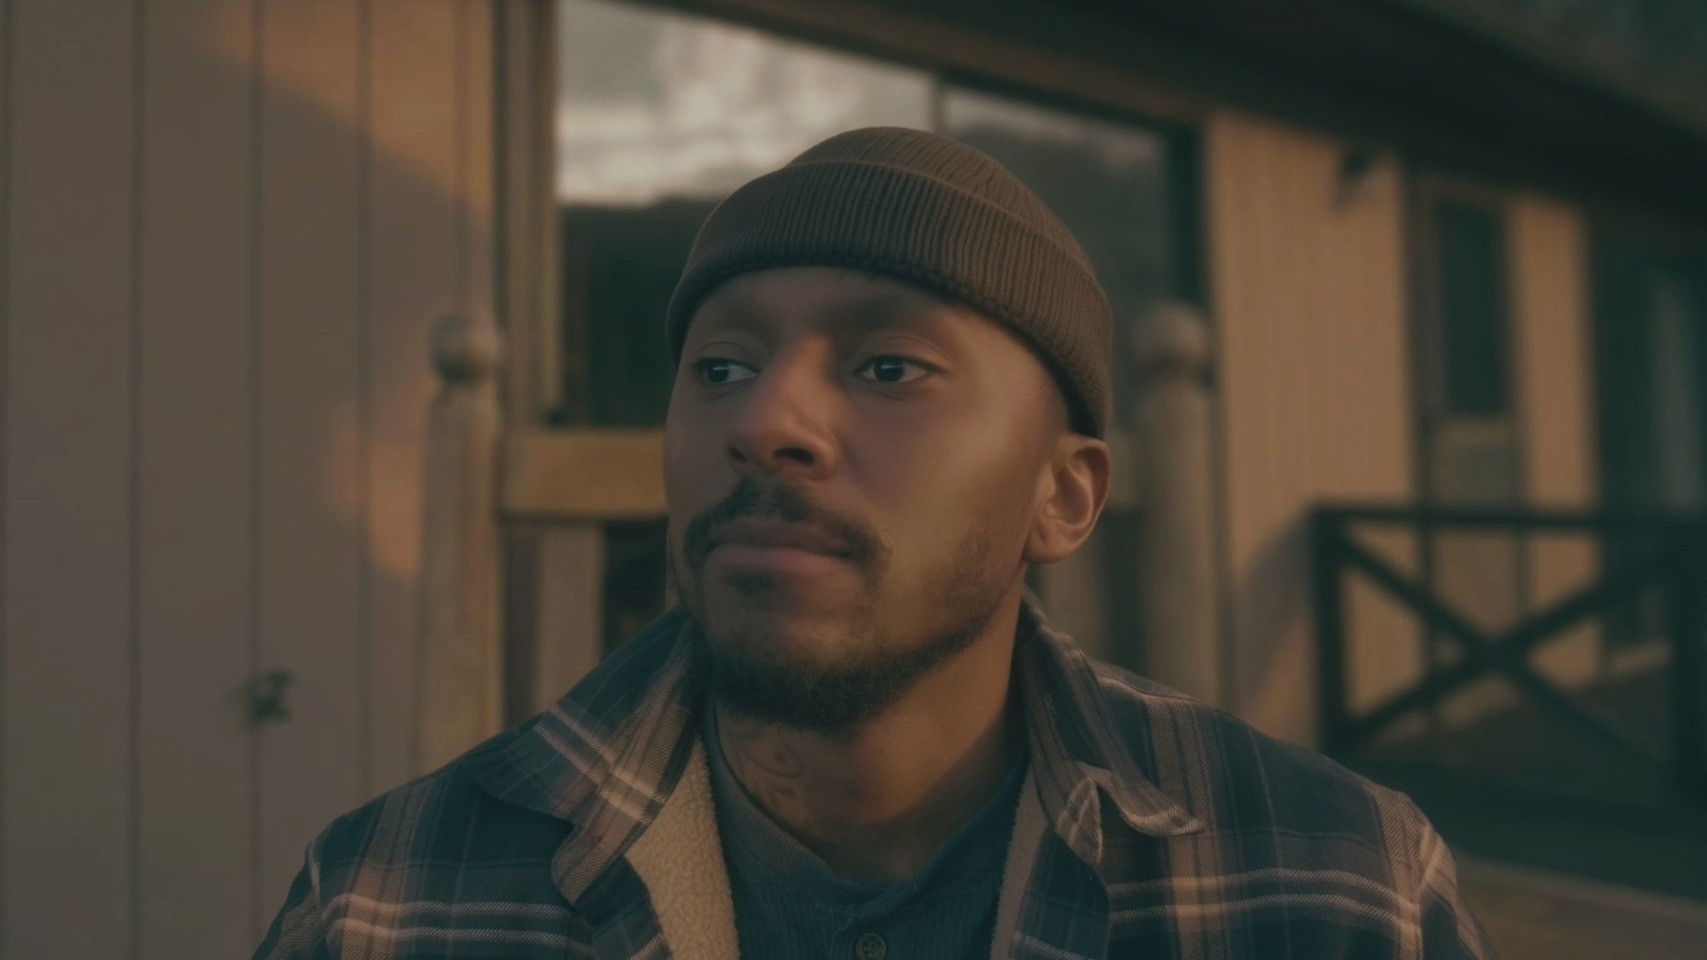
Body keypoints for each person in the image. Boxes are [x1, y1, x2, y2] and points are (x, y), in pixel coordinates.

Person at [254, 126, 1497, 959]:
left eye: (890, 367)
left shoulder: (1334, 890)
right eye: (721, 367)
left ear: (1063, 498)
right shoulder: (386, 907)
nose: (765, 422)